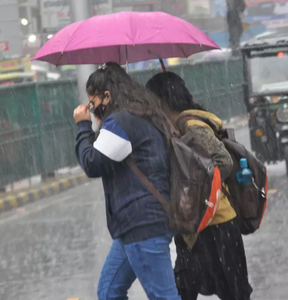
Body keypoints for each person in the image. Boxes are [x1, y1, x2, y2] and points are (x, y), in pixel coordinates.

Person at [73, 62, 181, 300]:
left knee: (164, 296)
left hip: (143, 223)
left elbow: (92, 163)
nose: (92, 110)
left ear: (107, 97)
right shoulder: (142, 113)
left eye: (93, 104)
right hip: (135, 225)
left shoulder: (121, 121)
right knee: (109, 291)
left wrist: (82, 126)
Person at [146, 71, 252, 300]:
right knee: (184, 288)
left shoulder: (192, 126)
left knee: (234, 291)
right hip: (194, 224)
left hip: (218, 223)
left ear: (162, 100)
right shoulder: (174, 127)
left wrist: (196, 187)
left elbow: (224, 162)